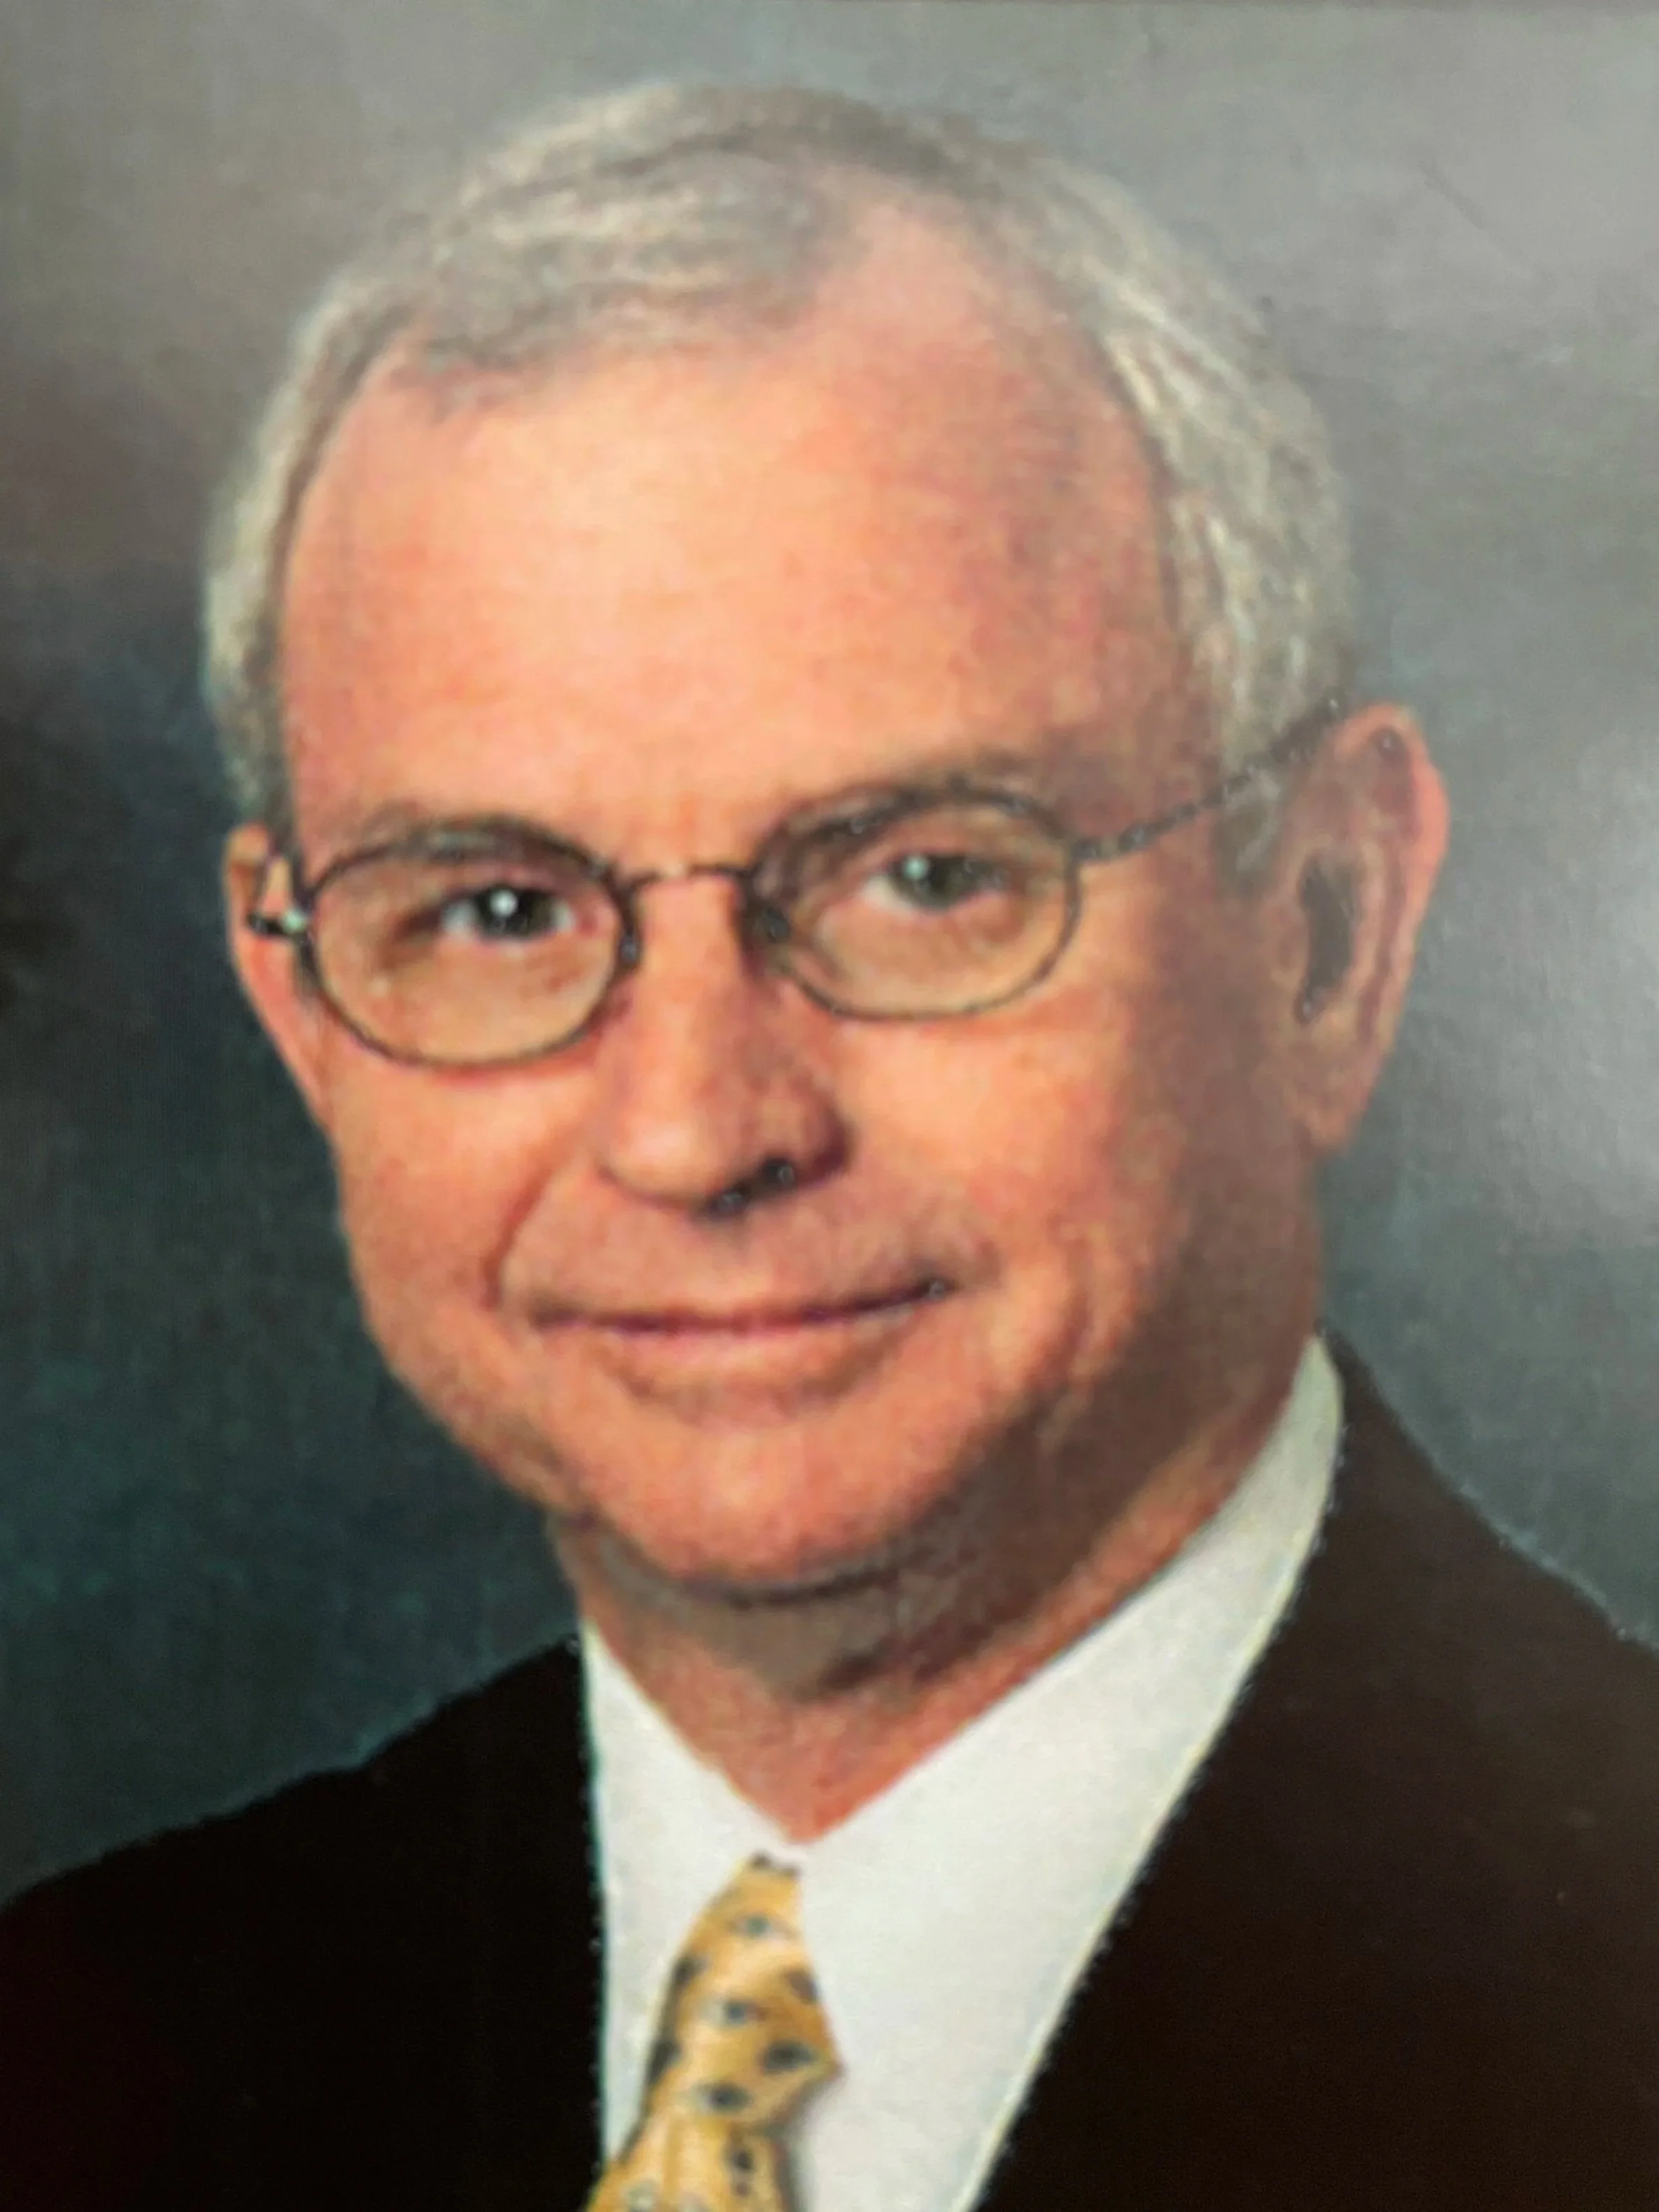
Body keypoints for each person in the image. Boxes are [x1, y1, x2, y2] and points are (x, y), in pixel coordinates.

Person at [6, 82, 1659, 2212]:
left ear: (1325, 932)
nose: (698, 1128)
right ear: (305, 1010)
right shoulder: (87, 2053)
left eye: (925, 878)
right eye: (499, 913)